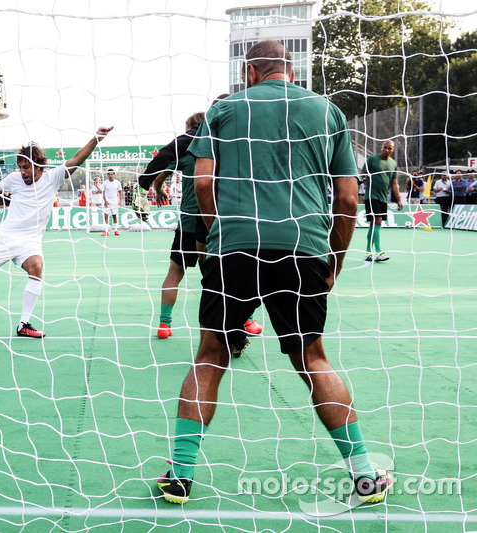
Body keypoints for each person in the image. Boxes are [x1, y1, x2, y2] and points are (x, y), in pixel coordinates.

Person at [157, 39, 391, 507]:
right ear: (290, 68)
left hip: (235, 250)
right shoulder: (326, 111)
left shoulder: (223, 111)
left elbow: (201, 181)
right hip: (302, 250)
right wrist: (336, 260)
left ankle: (180, 477)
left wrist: (211, 236)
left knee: (210, 356)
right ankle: (364, 474)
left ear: (251, 71)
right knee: (313, 360)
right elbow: (348, 200)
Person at [0, 127, 113, 338]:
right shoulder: (15, 179)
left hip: (30, 240)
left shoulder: (53, 177)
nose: (22, 172)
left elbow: (78, 158)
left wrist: (96, 138)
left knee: (36, 267)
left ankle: (24, 324)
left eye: (26, 167)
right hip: (5, 235)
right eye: (20, 167)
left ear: (38, 166)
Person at [138, 109, 262, 341]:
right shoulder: (222, 145)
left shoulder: (186, 150)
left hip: (187, 222)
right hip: (214, 222)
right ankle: (245, 320)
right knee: (223, 275)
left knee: (175, 272)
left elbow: (158, 175)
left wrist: (158, 188)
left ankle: (165, 325)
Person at [361, 140, 403, 262]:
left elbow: (394, 184)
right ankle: (379, 252)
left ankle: (368, 252)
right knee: (377, 221)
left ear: (393, 150)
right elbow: (362, 175)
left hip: (383, 198)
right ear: (381, 147)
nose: (386, 150)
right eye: (385, 147)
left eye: (389, 148)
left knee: (373, 225)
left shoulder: (393, 164)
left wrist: (399, 200)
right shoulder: (372, 159)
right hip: (371, 196)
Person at [101, 168, 123, 236]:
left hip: (114, 201)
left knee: (114, 216)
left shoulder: (117, 182)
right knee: (106, 215)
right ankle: (106, 231)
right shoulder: (105, 183)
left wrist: (120, 201)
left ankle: (116, 230)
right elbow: (103, 192)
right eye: (109, 174)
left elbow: (120, 192)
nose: (111, 176)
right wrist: (105, 201)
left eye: (112, 174)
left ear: (114, 175)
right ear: (108, 175)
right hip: (107, 202)